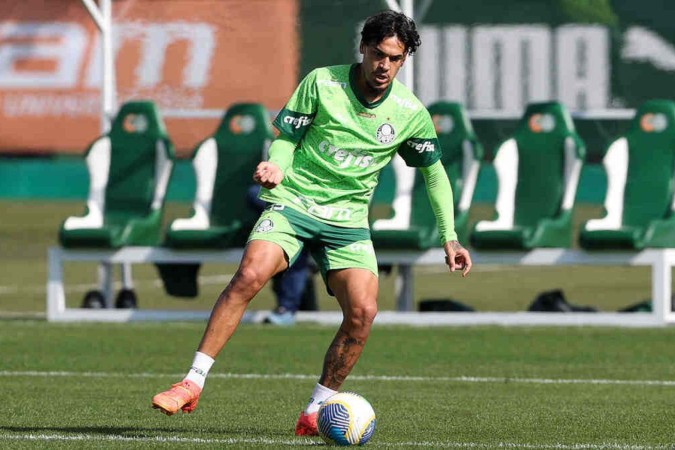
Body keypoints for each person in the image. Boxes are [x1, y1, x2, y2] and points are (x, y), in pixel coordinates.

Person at [151, 9, 473, 436]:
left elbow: (433, 172)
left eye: (395, 58)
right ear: (362, 48)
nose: (384, 66)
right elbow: (287, 140)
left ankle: (316, 409)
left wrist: (449, 238)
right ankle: (191, 382)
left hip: (348, 221)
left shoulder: (409, 112)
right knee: (249, 274)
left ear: (404, 60)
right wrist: (276, 166)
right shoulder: (322, 82)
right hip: (295, 202)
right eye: (378, 54)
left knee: (363, 312)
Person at [246, 184, 317, 326]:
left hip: (321, 205)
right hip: (289, 200)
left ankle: (287, 308)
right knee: (254, 193)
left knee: (296, 245)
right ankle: (286, 308)